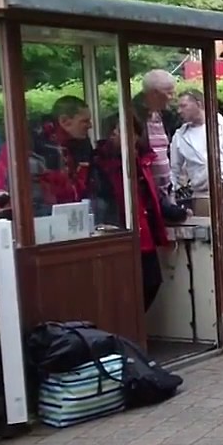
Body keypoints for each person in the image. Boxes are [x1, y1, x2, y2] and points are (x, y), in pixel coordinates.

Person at [91, 114, 189, 310]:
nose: (129, 137)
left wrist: (173, 211)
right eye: (120, 131)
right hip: (119, 232)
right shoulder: (102, 164)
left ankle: (134, 328)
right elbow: (100, 199)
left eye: (132, 131)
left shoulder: (140, 160)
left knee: (150, 283)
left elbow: (151, 194)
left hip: (143, 232)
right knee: (125, 289)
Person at [0, 95, 93, 214]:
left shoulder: (79, 145)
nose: (90, 126)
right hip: (16, 214)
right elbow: (34, 197)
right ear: (64, 121)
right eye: (85, 121)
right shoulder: (30, 144)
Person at [168, 89, 223, 193]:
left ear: (198, 104)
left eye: (183, 106)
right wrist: (171, 194)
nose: (179, 111)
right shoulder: (180, 135)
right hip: (200, 194)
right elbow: (175, 170)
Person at [134, 69, 181, 198]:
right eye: (169, 93)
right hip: (144, 194)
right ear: (154, 94)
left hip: (165, 192)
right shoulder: (132, 118)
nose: (172, 98)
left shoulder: (166, 116)